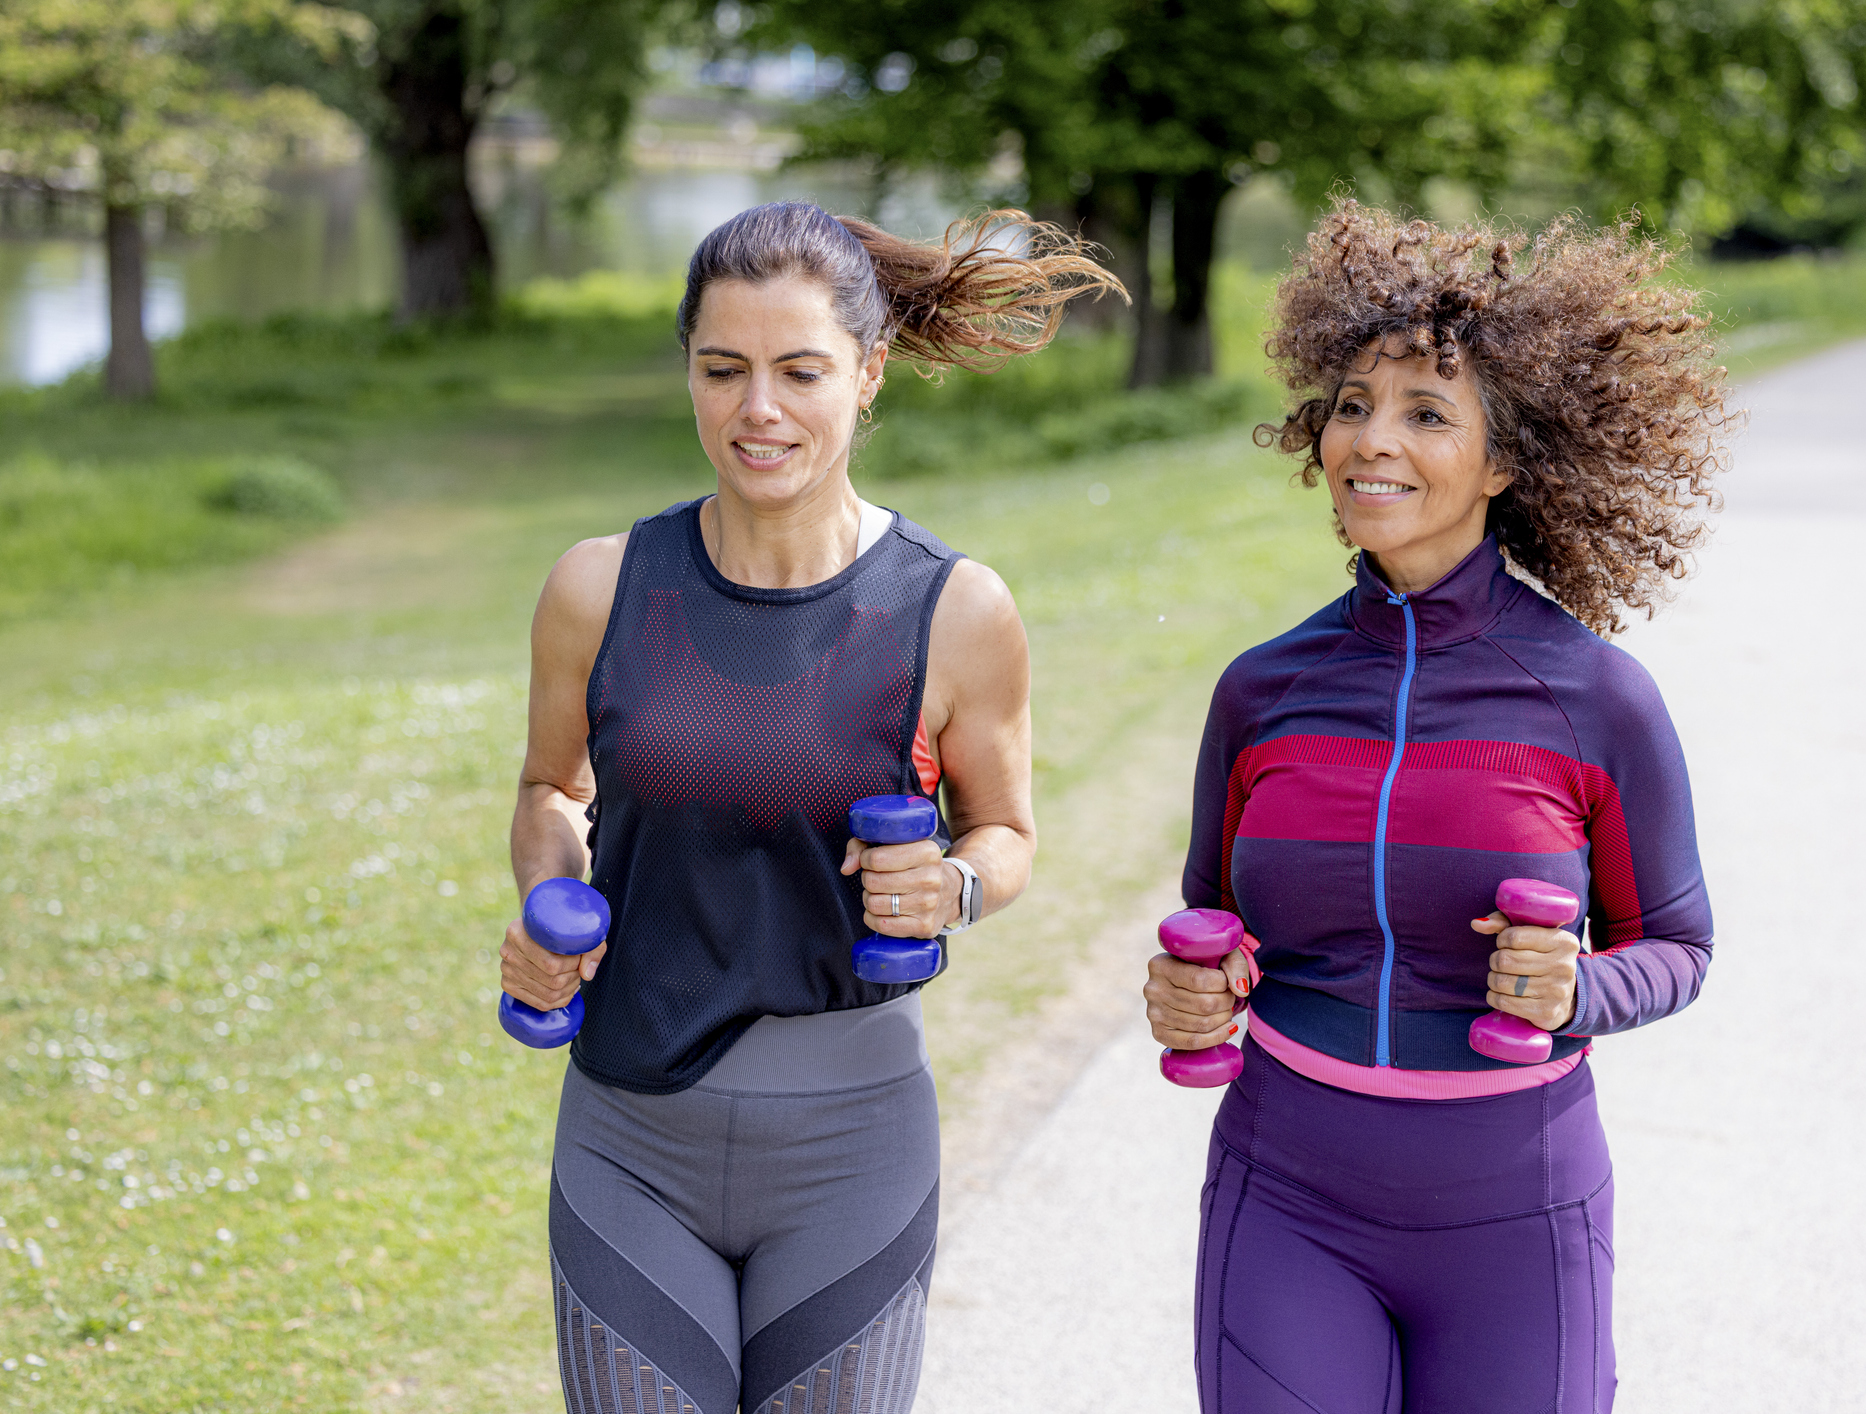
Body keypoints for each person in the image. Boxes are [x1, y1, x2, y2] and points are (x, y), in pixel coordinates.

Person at [501, 201, 1119, 1414]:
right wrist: (544, 898)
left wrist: (946, 886)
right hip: (630, 1132)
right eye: (721, 370)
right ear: (687, 366)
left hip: (855, 1147)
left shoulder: (954, 609)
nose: (757, 411)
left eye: (799, 372)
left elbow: (1006, 836)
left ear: (869, 371)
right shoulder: (598, 587)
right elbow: (548, 788)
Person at [1143, 200, 1730, 1413]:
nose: (1372, 441)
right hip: (1286, 1195)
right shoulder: (1263, 691)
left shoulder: (1593, 699)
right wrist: (1195, 985)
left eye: (1424, 413)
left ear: (1503, 461)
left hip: (1513, 1212)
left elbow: (1675, 945)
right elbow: (1215, 919)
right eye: (1352, 405)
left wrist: (1580, 988)